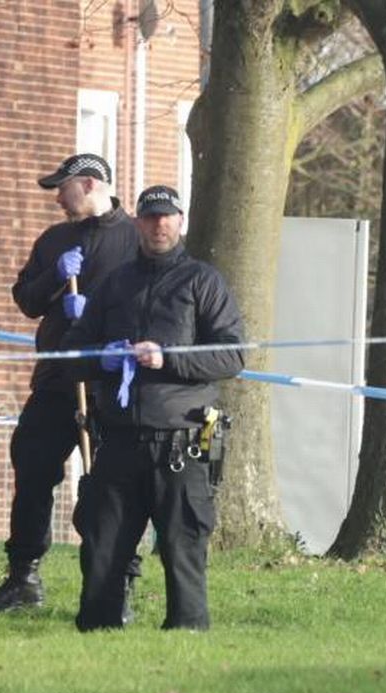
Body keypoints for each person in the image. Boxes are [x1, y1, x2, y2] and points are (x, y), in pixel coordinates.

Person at [61, 185, 245, 631]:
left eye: (167, 217)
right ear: (138, 223)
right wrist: (101, 358)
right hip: (120, 439)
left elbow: (233, 356)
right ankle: (98, 631)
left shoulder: (203, 281)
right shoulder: (114, 284)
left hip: (180, 440)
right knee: (102, 545)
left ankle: (186, 632)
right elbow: (70, 353)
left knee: (183, 547)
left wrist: (169, 357)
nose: (158, 225)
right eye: (150, 217)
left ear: (180, 221)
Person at [0, 153, 141, 615]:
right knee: (31, 466)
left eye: (62, 190)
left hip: (108, 382)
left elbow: (150, 304)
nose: (58, 200)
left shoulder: (134, 240)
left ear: (87, 185)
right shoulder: (54, 240)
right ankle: (23, 577)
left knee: (109, 482)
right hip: (55, 377)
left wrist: (100, 313)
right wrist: (54, 278)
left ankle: (118, 581)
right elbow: (26, 299)